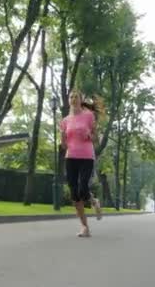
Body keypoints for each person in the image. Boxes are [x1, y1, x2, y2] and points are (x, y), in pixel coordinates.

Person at [60, 91, 102, 237]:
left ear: (81, 99)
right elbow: (64, 145)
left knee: (83, 186)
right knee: (74, 194)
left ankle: (93, 201)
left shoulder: (88, 116)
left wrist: (90, 135)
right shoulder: (65, 120)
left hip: (86, 156)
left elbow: (96, 138)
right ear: (69, 100)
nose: (73, 99)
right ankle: (85, 227)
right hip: (70, 157)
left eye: (76, 96)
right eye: (71, 97)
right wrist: (62, 140)